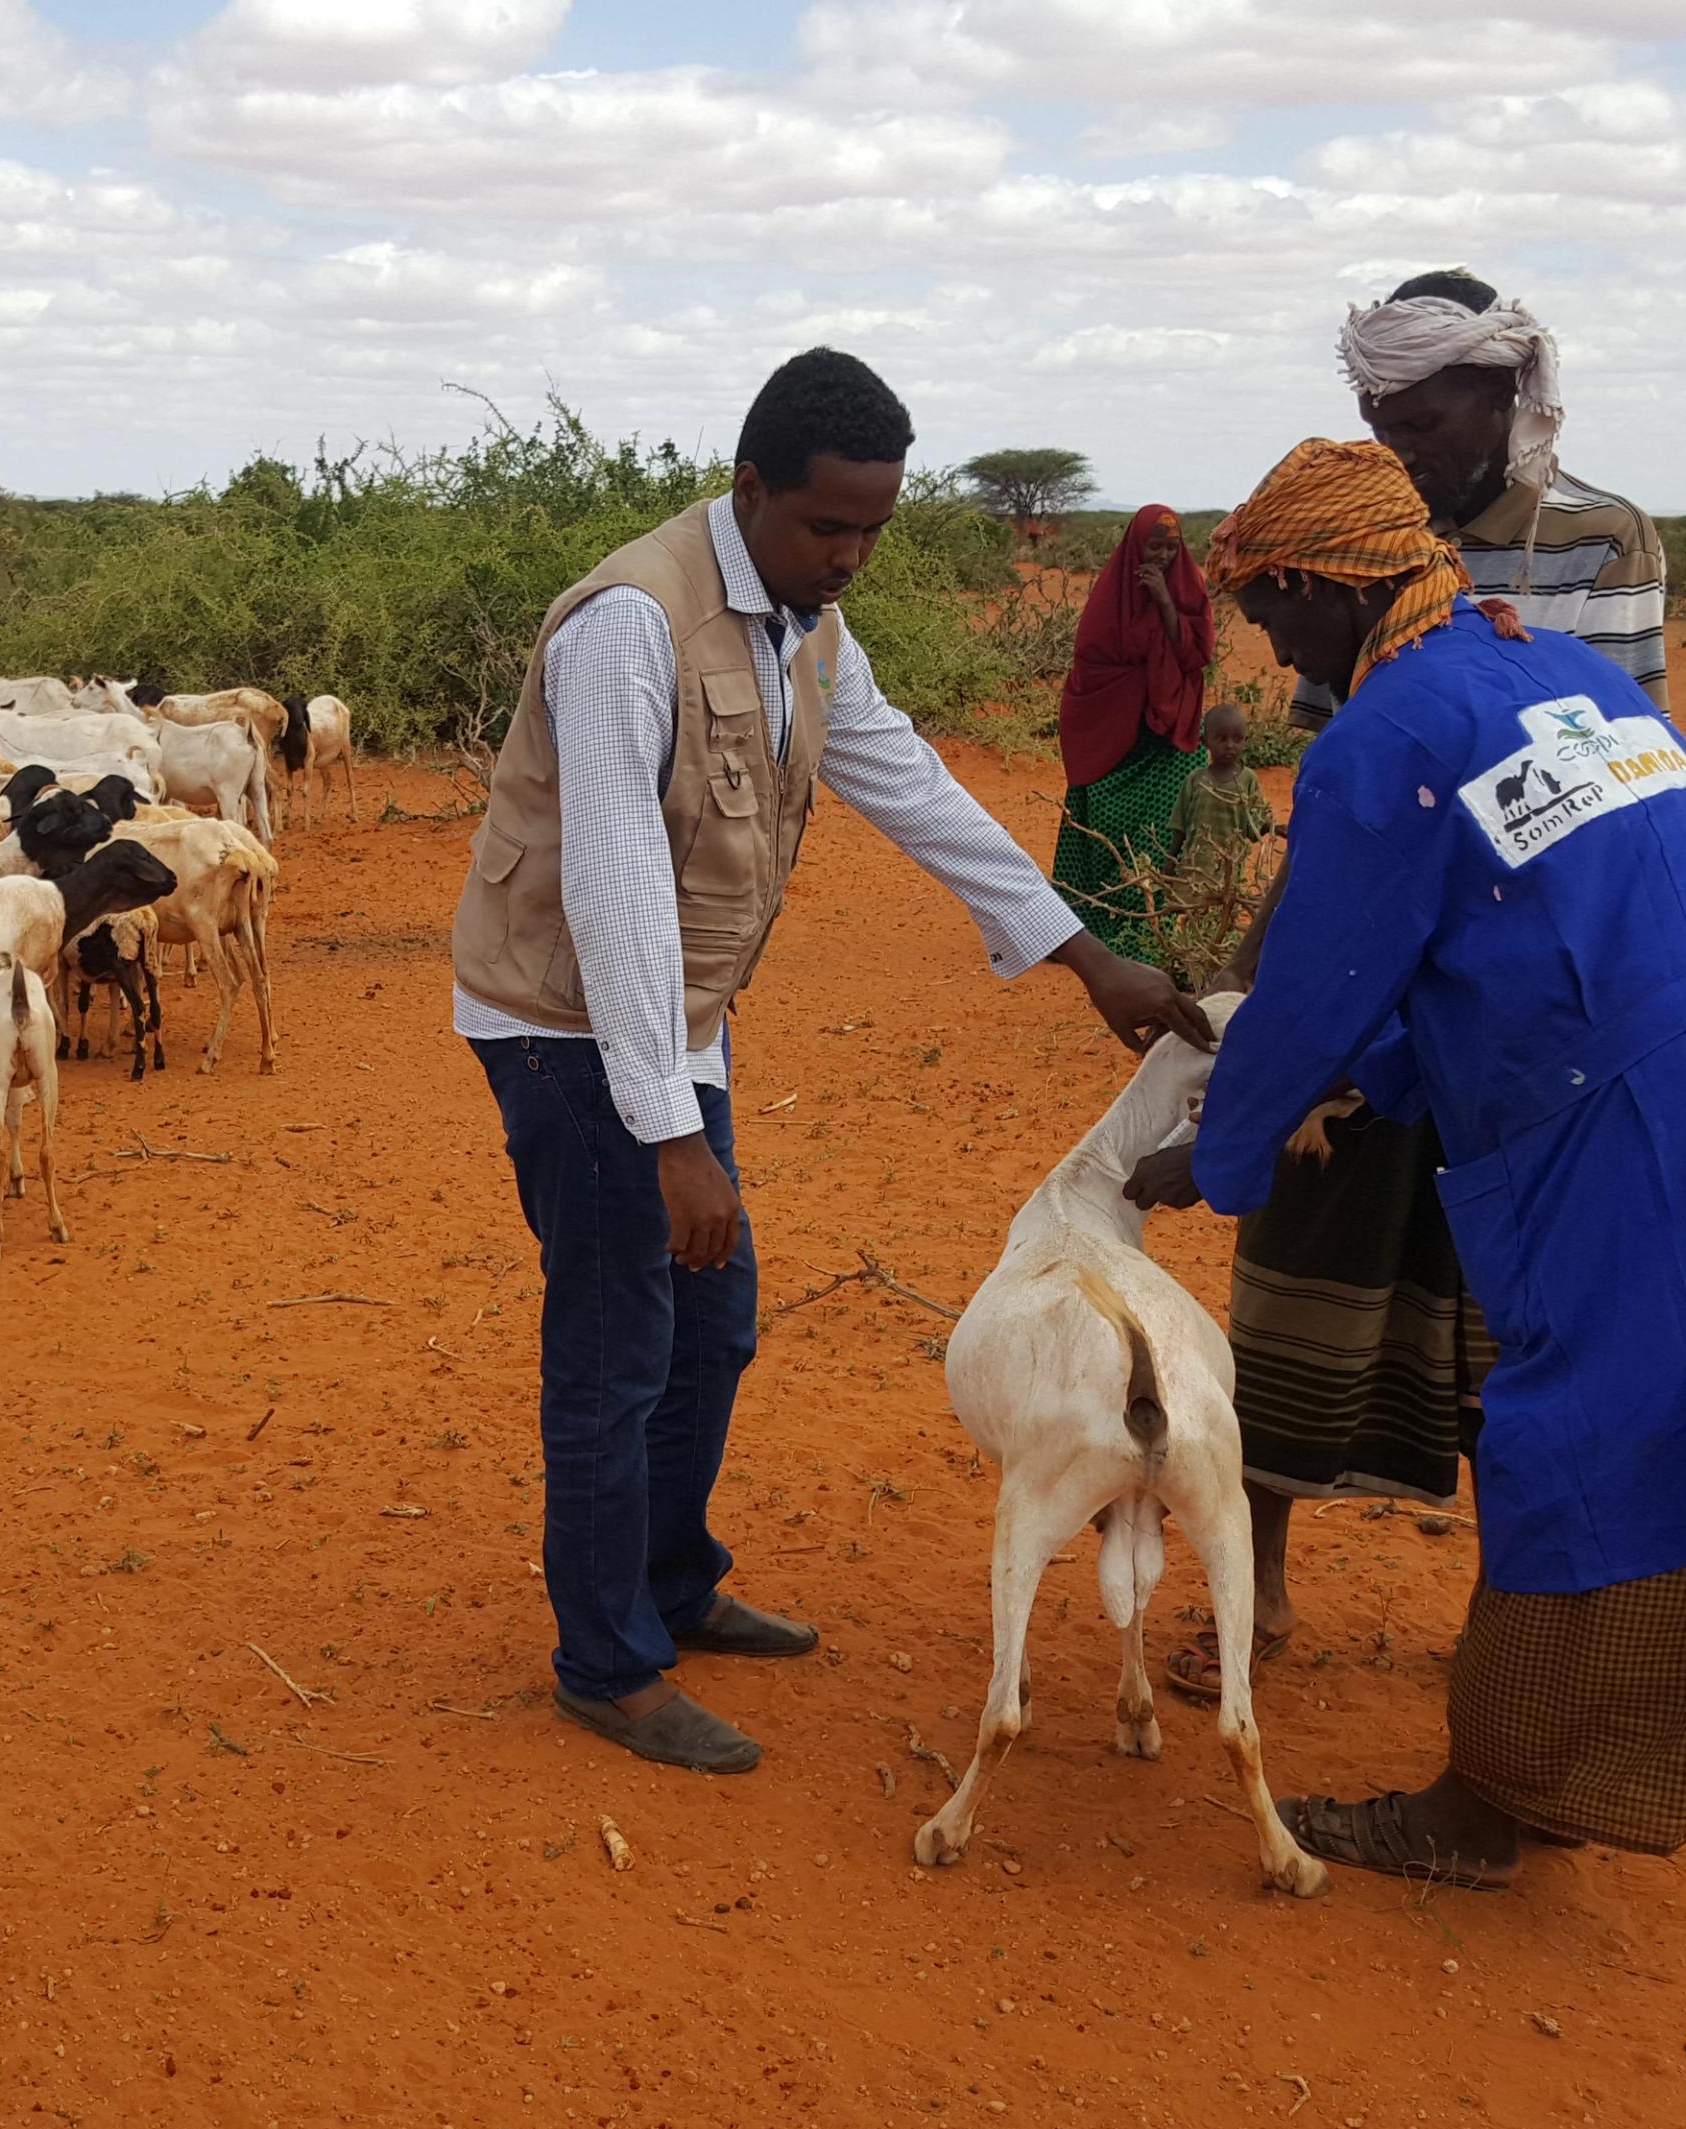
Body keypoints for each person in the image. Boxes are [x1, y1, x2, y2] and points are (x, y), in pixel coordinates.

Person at [1159, 437, 1686, 1886]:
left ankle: (1488, 1808)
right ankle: (1592, 1758)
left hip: (1658, 1122)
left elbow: (1323, 987)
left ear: (1321, 586)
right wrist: (1353, 1091)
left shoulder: (1384, 739)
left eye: (1269, 613)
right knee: (1685, 1416)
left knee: (1585, 1437)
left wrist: (1224, 1154)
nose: (1272, 648)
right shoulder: (1560, 677)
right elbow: (1486, 944)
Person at [449, 348, 1214, 1775]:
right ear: (752, 492)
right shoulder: (631, 627)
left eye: (875, 528)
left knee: (711, 1323)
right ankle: (606, 1665)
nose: (852, 556)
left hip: (677, 1025)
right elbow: (613, 891)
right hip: (571, 1028)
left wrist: (1079, 950)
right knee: (619, 1351)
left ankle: (670, 1585)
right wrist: (671, 1135)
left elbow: (902, 775)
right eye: (827, 527)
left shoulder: (804, 622)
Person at [1161, 267, 1673, 1710]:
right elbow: (1343, 801)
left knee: (1513, 1331)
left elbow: (1601, 768)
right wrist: (1268, 1014)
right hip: (1381, 965)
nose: (1402, 443)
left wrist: (1227, 1125)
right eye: (1376, 414)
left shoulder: (1595, 539)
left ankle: (1509, 1649)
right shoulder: (1345, 541)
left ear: (1504, 394)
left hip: (1517, 998)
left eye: (1422, 413)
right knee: (1291, 1283)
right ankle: (1255, 1597)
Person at [1049, 505, 1217, 964]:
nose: (1162, 555)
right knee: (1103, 819)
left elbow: (1198, 653)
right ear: (1135, 545)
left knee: (1166, 827)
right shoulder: (1111, 593)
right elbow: (1093, 660)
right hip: (1115, 727)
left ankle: (1147, 929)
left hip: (1169, 731)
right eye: (1154, 545)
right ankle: (1086, 929)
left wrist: (1165, 602)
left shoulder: (1188, 587)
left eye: (1171, 546)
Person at [1164, 702, 1275, 899]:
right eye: (1221, 739)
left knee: (1222, 917)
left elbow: (1254, 825)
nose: (1230, 746)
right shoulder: (1196, 780)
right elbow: (1180, 826)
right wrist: (1170, 864)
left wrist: (1273, 827)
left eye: (1237, 739)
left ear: (1246, 741)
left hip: (1229, 871)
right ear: (1205, 742)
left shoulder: (1248, 779)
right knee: (1191, 917)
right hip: (1194, 869)